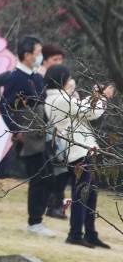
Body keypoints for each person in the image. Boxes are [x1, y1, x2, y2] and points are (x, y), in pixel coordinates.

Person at [45, 64, 114, 249]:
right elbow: (91, 112)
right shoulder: (59, 99)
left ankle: (89, 233)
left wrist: (95, 97)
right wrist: (102, 98)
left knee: (89, 193)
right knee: (82, 193)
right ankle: (75, 233)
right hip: (78, 150)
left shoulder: (57, 98)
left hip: (81, 150)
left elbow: (81, 109)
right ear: (62, 80)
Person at [0, 35, 55, 238]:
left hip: (42, 133)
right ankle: (34, 222)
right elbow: (4, 106)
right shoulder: (16, 77)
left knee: (47, 176)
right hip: (29, 136)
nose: (41, 56)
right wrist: (15, 129)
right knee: (38, 178)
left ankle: (38, 217)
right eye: (38, 53)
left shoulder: (37, 77)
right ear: (27, 55)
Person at [40, 43, 67, 220]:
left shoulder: (65, 78)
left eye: (60, 60)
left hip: (62, 130)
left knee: (61, 169)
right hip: (48, 130)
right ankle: (52, 204)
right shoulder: (39, 78)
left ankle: (57, 203)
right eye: (54, 59)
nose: (58, 63)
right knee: (55, 169)